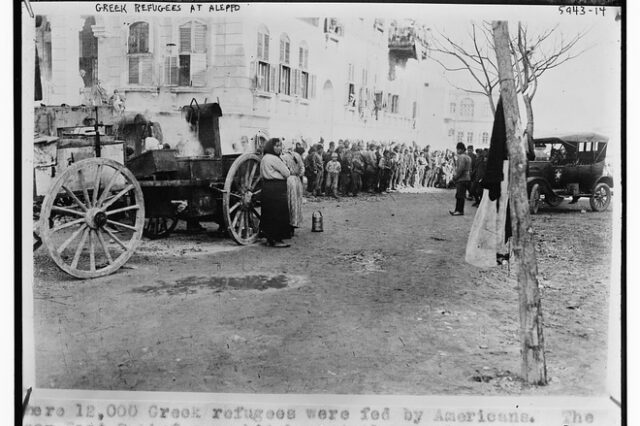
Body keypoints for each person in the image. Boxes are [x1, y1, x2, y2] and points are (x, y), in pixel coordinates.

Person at [259, 138, 291, 248]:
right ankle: (277, 239)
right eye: (276, 146)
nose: (279, 148)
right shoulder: (275, 159)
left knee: (269, 213)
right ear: (271, 147)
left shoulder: (264, 158)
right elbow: (287, 173)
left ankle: (269, 238)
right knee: (279, 213)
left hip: (267, 187)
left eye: (280, 146)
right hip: (277, 188)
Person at [281, 143, 305, 236]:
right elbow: (302, 168)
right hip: (297, 180)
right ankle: (294, 224)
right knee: (296, 203)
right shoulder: (297, 155)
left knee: (289, 203)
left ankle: (287, 226)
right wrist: (298, 174)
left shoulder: (283, 157)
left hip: (288, 180)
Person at [450, 142, 472, 216]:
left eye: (458, 149)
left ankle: (459, 210)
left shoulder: (461, 157)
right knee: (462, 195)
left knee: (459, 195)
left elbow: (460, 169)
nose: (457, 151)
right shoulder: (468, 157)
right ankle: (459, 210)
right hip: (467, 177)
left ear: (460, 149)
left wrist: (455, 177)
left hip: (461, 178)